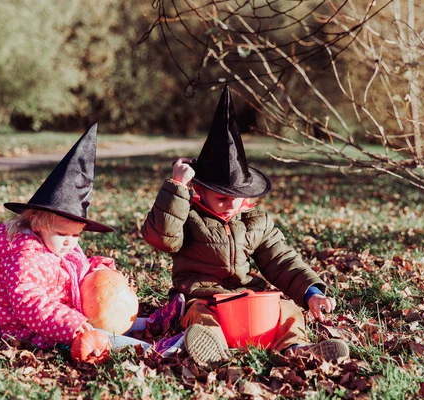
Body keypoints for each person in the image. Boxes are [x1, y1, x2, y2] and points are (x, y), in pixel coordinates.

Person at [141, 86, 350, 364]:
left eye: (236, 198)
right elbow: (162, 237)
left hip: (246, 299)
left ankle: (297, 348)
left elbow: (282, 260)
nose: (230, 204)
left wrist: (311, 292)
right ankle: (212, 348)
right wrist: (178, 187)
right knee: (199, 315)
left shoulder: (255, 221)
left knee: (286, 308)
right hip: (204, 298)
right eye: (221, 198)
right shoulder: (189, 216)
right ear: (200, 190)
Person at [0, 123, 184, 354]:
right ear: (38, 224)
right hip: (34, 330)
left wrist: (99, 270)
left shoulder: (61, 246)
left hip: (65, 314)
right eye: (63, 233)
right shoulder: (25, 261)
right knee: (95, 336)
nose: (71, 241)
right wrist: (71, 323)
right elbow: (31, 305)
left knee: (103, 319)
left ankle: (150, 324)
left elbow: (77, 271)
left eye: (76, 234)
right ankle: (149, 349)